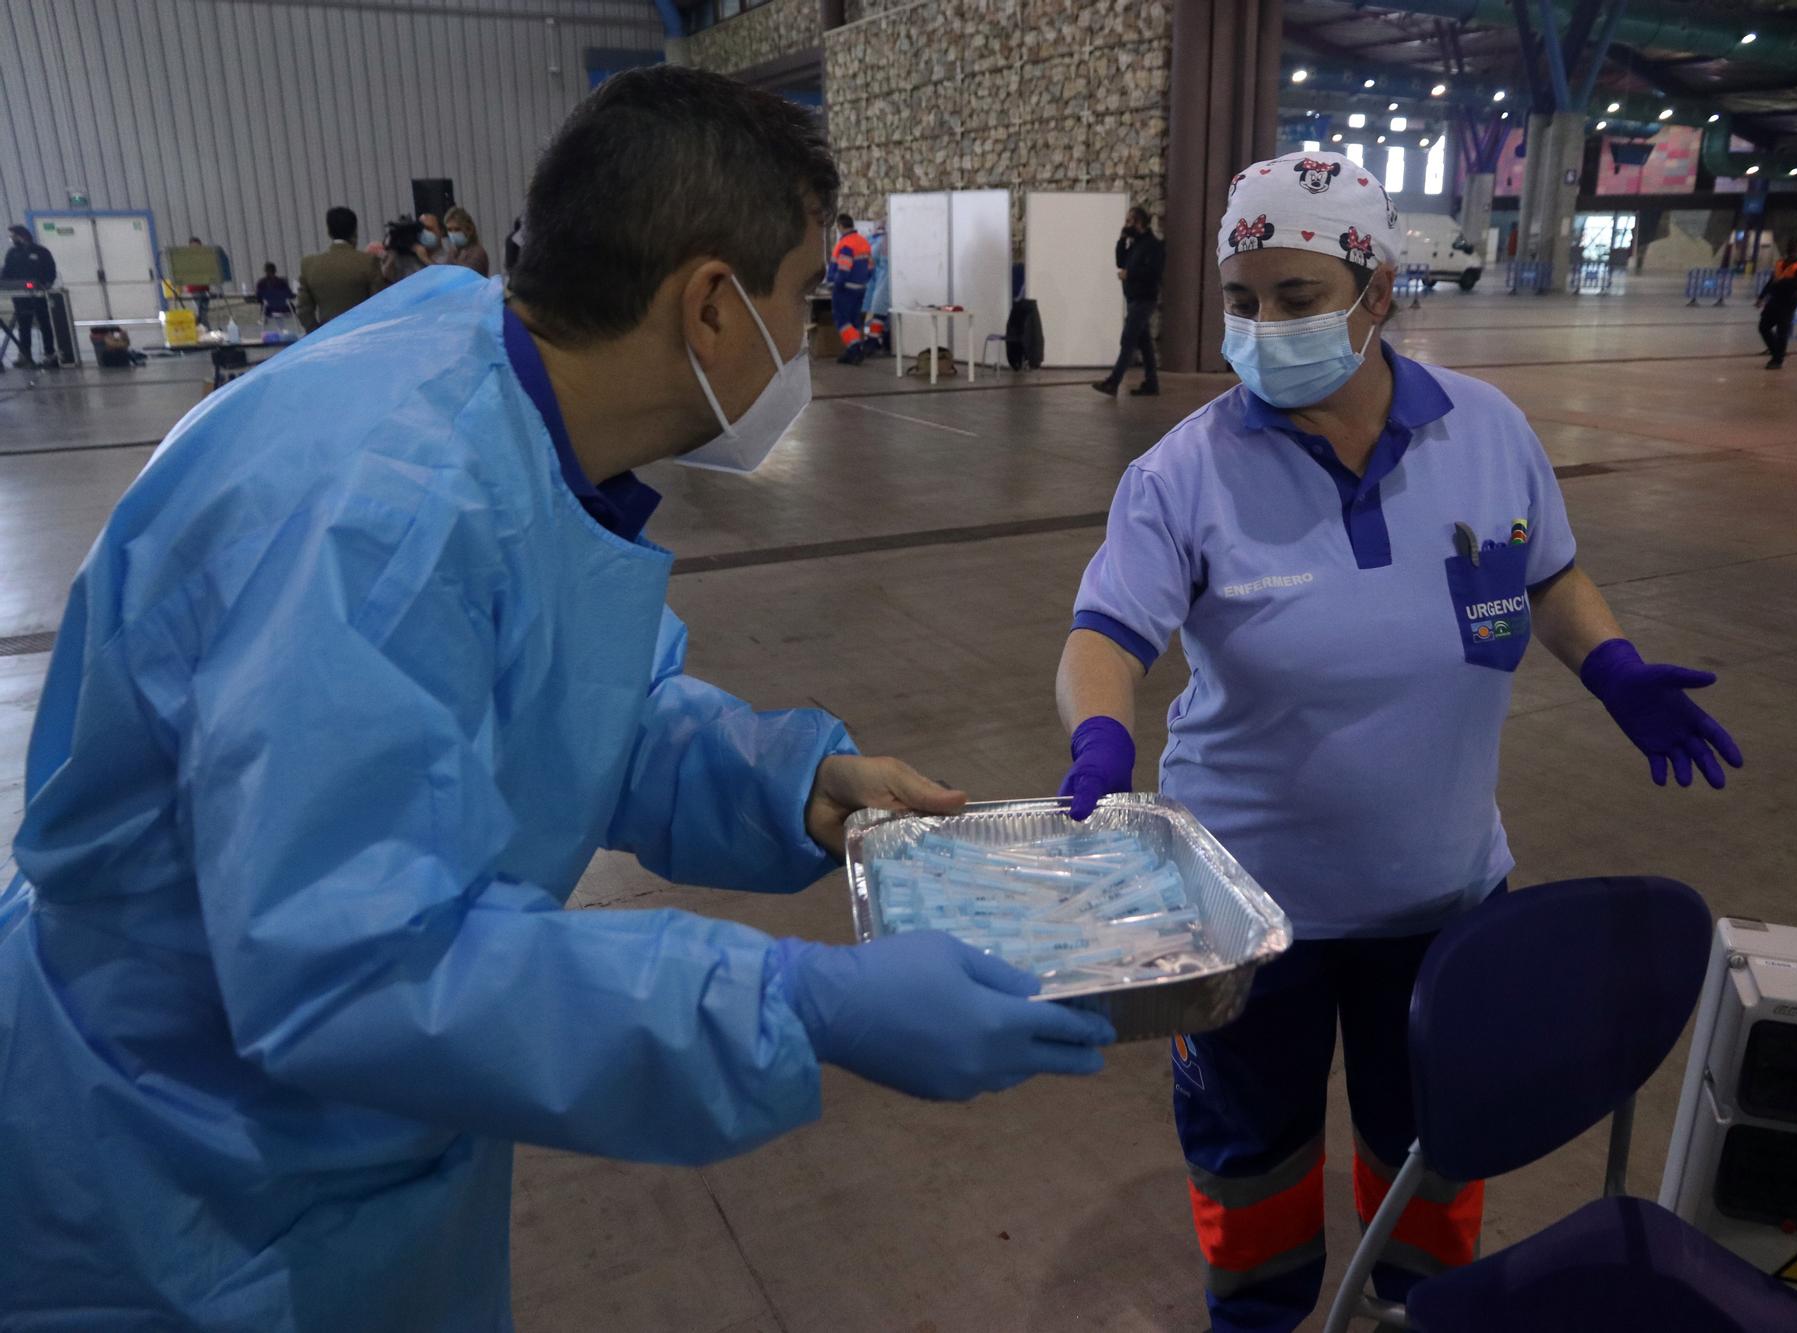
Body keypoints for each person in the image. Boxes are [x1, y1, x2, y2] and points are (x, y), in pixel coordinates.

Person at [0, 65, 1116, 1331]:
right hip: (190, 1182)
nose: (807, 337)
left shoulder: (485, 383)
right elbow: (355, 972)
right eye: (800, 298)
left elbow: (561, 701)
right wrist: (794, 1005)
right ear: (708, 305)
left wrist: (786, 781)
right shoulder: (379, 521)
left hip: (344, 1148)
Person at [1054, 153, 1742, 1332]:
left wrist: (1612, 663)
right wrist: (1101, 738)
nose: (1261, 327)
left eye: (1296, 296)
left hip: (1440, 897)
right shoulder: (1185, 472)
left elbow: (1547, 571)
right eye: (1241, 298)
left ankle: (1414, 1312)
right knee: (1250, 1151)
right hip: (1243, 916)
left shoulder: (1487, 430)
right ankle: (1259, 1318)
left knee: (1430, 1143)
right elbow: (1102, 636)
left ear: (1377, 292)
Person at [1093, 206, 1164, 397]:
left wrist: (1130, 274)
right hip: (1133, 299)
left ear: (1139, 222)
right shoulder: (1135, 244)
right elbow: (1120, 261)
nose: (1126, 225)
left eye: (1129, 222)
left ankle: (1113, 382)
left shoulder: (1153, 245)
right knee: (1145, 344)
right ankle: (1152, 384)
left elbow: (1154, 273)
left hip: (1144, 300)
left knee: (1128, 339)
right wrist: (1122, 239)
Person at [296, 205, 385, 332]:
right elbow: (378, 304)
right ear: (355, 231)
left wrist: (316, 332)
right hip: (362, 334)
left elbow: (303, 309)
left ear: (329, 232)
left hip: (328, 337)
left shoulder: (309, 264)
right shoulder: (368, 261)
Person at [2, 224, 59, 368]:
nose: (12, 239)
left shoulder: (41, 252)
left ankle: (49, 354)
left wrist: (47, 284)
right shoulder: (12, 253)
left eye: (13, 236)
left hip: (38, 294)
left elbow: (50, 269)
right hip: (20, 295)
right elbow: (6, 272)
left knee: (44, 323)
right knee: (24, 325)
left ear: (21, 235)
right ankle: (25, 355)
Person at [1754, 237, 1797, 369]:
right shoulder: (1780, 262)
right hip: (1774, 300)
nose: (1791, 251)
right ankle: (1776, 352)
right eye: (1790, 248)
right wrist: (1762, 297)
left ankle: (1777, 360)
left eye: (1794, 249)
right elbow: (1771, 281)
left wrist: (1781, 282)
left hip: (1788, 303)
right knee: (1763, 327)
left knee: (1782, 332)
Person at [827, 212, 873, 364]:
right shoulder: (863, 242)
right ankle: (852, 350)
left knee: (842, 319)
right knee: (854, 321)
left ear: (840, 226)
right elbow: (871, 268)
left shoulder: (845, 244)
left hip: (845, 289)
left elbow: (843, 269)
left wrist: (835, 285)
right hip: (860, 288)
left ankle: (854, 349)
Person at [379, 215, 431, 285]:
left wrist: (425, 259)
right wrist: (390, 259)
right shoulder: (392, 257)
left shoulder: (423, 254)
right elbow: (385, 280)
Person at [443, 205, 491, 277]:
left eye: (457, 229)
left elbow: (465, 276)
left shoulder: (477, 252)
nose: (453, 234)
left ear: (469, 230)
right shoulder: (453, 252)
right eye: (449, 230)